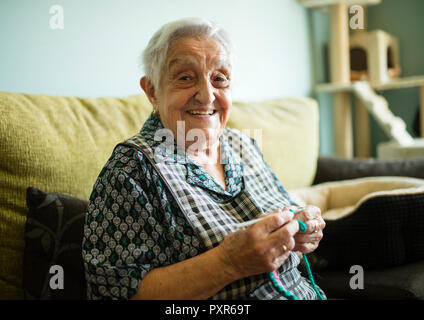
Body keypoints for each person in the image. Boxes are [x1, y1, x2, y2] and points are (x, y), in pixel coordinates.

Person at [82, 17, 326, 300]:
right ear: (152, 90)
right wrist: (228, 263)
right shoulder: (131, 169)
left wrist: (303, 229)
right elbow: (114, 294)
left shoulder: (243, 144)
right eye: (185, 77)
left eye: (219, 79)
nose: (207, 95)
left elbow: (285, 213)